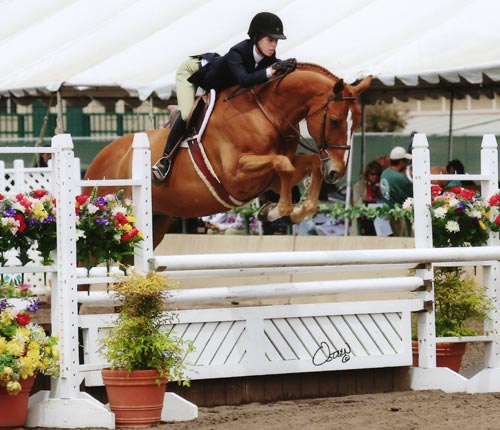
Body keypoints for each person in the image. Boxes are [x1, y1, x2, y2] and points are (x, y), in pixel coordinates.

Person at [152, 12, 296, 182]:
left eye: (276, 41)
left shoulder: (268, 58)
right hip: (192, 72)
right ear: (257, 38)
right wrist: (272, 69)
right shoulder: (238, 52)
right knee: (186, 115)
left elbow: (271, 74)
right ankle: (165, 160)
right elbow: (244, 80)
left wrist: (290, 67)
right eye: (270, 40)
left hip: (217, 83)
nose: (274, 45)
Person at [380, 146, 413, 236]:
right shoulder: (400, 178)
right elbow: (413, 195)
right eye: (406, 161)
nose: (407, 164)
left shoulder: (384, 173)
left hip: (387, 216)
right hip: (400, 218)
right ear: (401, 162)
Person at [351, 160, 382, 236]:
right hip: (363, 221)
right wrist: (363, 199)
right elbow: (355, 204)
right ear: (368, 174)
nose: (375, 177)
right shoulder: (359, 186)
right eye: (372, 174)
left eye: (377, 174)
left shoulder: (381, 186)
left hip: (377, 221)